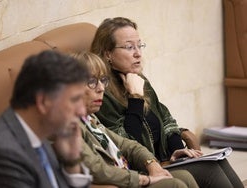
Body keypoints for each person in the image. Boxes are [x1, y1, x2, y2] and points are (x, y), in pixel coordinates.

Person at [91, 17, 244, 188]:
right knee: (209, 170)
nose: (138, 53)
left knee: (219, 163)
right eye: (129, 47)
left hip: (165, 160)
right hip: (143, 169)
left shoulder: (138, 79)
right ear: (107, 54)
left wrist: (179, 152)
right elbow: (128, 144)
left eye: (139, 45)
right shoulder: (101, 94)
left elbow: (166, 119)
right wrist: (135, 98)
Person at [71, 51, 199, 188]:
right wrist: (143, 179)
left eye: (103, 80)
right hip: (123, 181)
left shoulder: (89, 118)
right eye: (92, 82)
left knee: (186, 176)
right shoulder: (69, 125)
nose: (101, 88)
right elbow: (97, 169)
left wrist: (151, 163)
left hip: (137, 171)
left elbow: (129, 145)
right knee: (175, 185)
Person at [0, 50, 92, 188]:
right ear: (43, 102)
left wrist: (72, 161)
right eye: (75, 100)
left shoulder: (38, 131)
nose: (82, 111)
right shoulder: (1, 154)